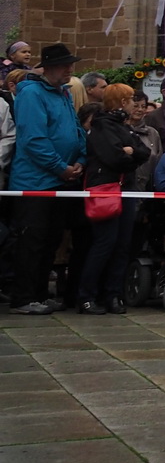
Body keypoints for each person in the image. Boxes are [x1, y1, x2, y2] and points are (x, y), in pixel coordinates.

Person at [9, 43, 86, 314]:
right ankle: (23, 297)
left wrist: (80, 159)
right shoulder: (32, 94)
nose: (70, 69)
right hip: (34, 183)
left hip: (59, 181)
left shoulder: (63, 93)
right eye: (65, 64)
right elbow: (33, 139)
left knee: (51, 241)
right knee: (33, 241)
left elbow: (76, 130)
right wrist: (60, 167)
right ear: (50, 67)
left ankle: (40, 294)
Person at [75, 83, 148, 314]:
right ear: (121, 102)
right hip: (106, 189)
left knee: (122, 245)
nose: (134, 104)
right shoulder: (103, 125)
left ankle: (113, 294)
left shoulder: (122, 127)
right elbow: (114, 158)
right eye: (129, 99)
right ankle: (87, 296)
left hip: (124, 189)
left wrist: (130, 152)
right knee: (104, 244)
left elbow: (143, 152)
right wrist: (129, 153)